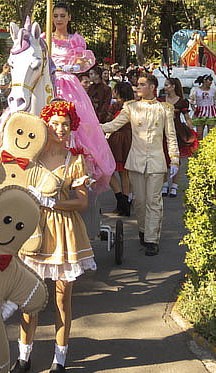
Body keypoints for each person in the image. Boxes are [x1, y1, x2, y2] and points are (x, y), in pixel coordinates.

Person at [9, 101, 95, 373]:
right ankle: (23, 357)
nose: (60, 129)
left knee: (61, 299)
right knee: (29, 298)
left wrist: (55, 202)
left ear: (72, 128)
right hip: (32, 232)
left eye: (65, 124)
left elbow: (82, 201)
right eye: (55, 123)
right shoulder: (31, 156)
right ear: (46, 125)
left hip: (62, 232)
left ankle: (60, 358)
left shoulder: (76, 160)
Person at [101, 72, 179, 256]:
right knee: (140, 202)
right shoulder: (131, 107)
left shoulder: (165, 109)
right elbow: (113, 125)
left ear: (152, 87)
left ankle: (152, 239)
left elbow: (171, 136)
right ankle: (144, 231)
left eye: (142, 84)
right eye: (138, 85)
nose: (138, 88)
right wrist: (89, 127)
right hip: (136, 161)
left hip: (156, 162)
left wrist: (174, 158)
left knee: (153, 201)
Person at [41, 2, 115, 190]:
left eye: (62, 16)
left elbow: (83, 61)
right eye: (55, 16)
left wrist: (72, 67)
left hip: (68, 84)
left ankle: (76, 164)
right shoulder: (44, 38)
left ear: (69, 18)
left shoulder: (76, 39)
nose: (58, 19)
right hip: (48, 83)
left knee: (79, 123)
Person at [160, 77, 198, 197]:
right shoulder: (160, 100)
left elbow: (187, 118)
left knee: (176, 158)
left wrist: (192, 130)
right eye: (165, 85)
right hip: (162, 130)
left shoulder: (181, 101)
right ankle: (165, 183)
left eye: (167, 85)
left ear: (173, 86)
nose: (165, 87)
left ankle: (174, 185)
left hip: (177, 131)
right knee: (164, 157)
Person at [106, 81, 135, 216]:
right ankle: (126, 200)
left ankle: (121, 199)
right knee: (125, 173)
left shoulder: (116, 106)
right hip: (130, 138)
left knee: (109, 170)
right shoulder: (134, 106)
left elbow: (109, 122)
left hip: (116, 139)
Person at [190, 74, 216, 140]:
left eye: (211, 81)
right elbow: (191, 101)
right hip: (200, 113)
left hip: (211, 113)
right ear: (204, 81)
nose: (211, 82)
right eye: (209, 80)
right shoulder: (196, 90)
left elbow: (215, 100)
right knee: (199, 134)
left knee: (211, 134)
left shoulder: (213, 90)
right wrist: (194, 109)